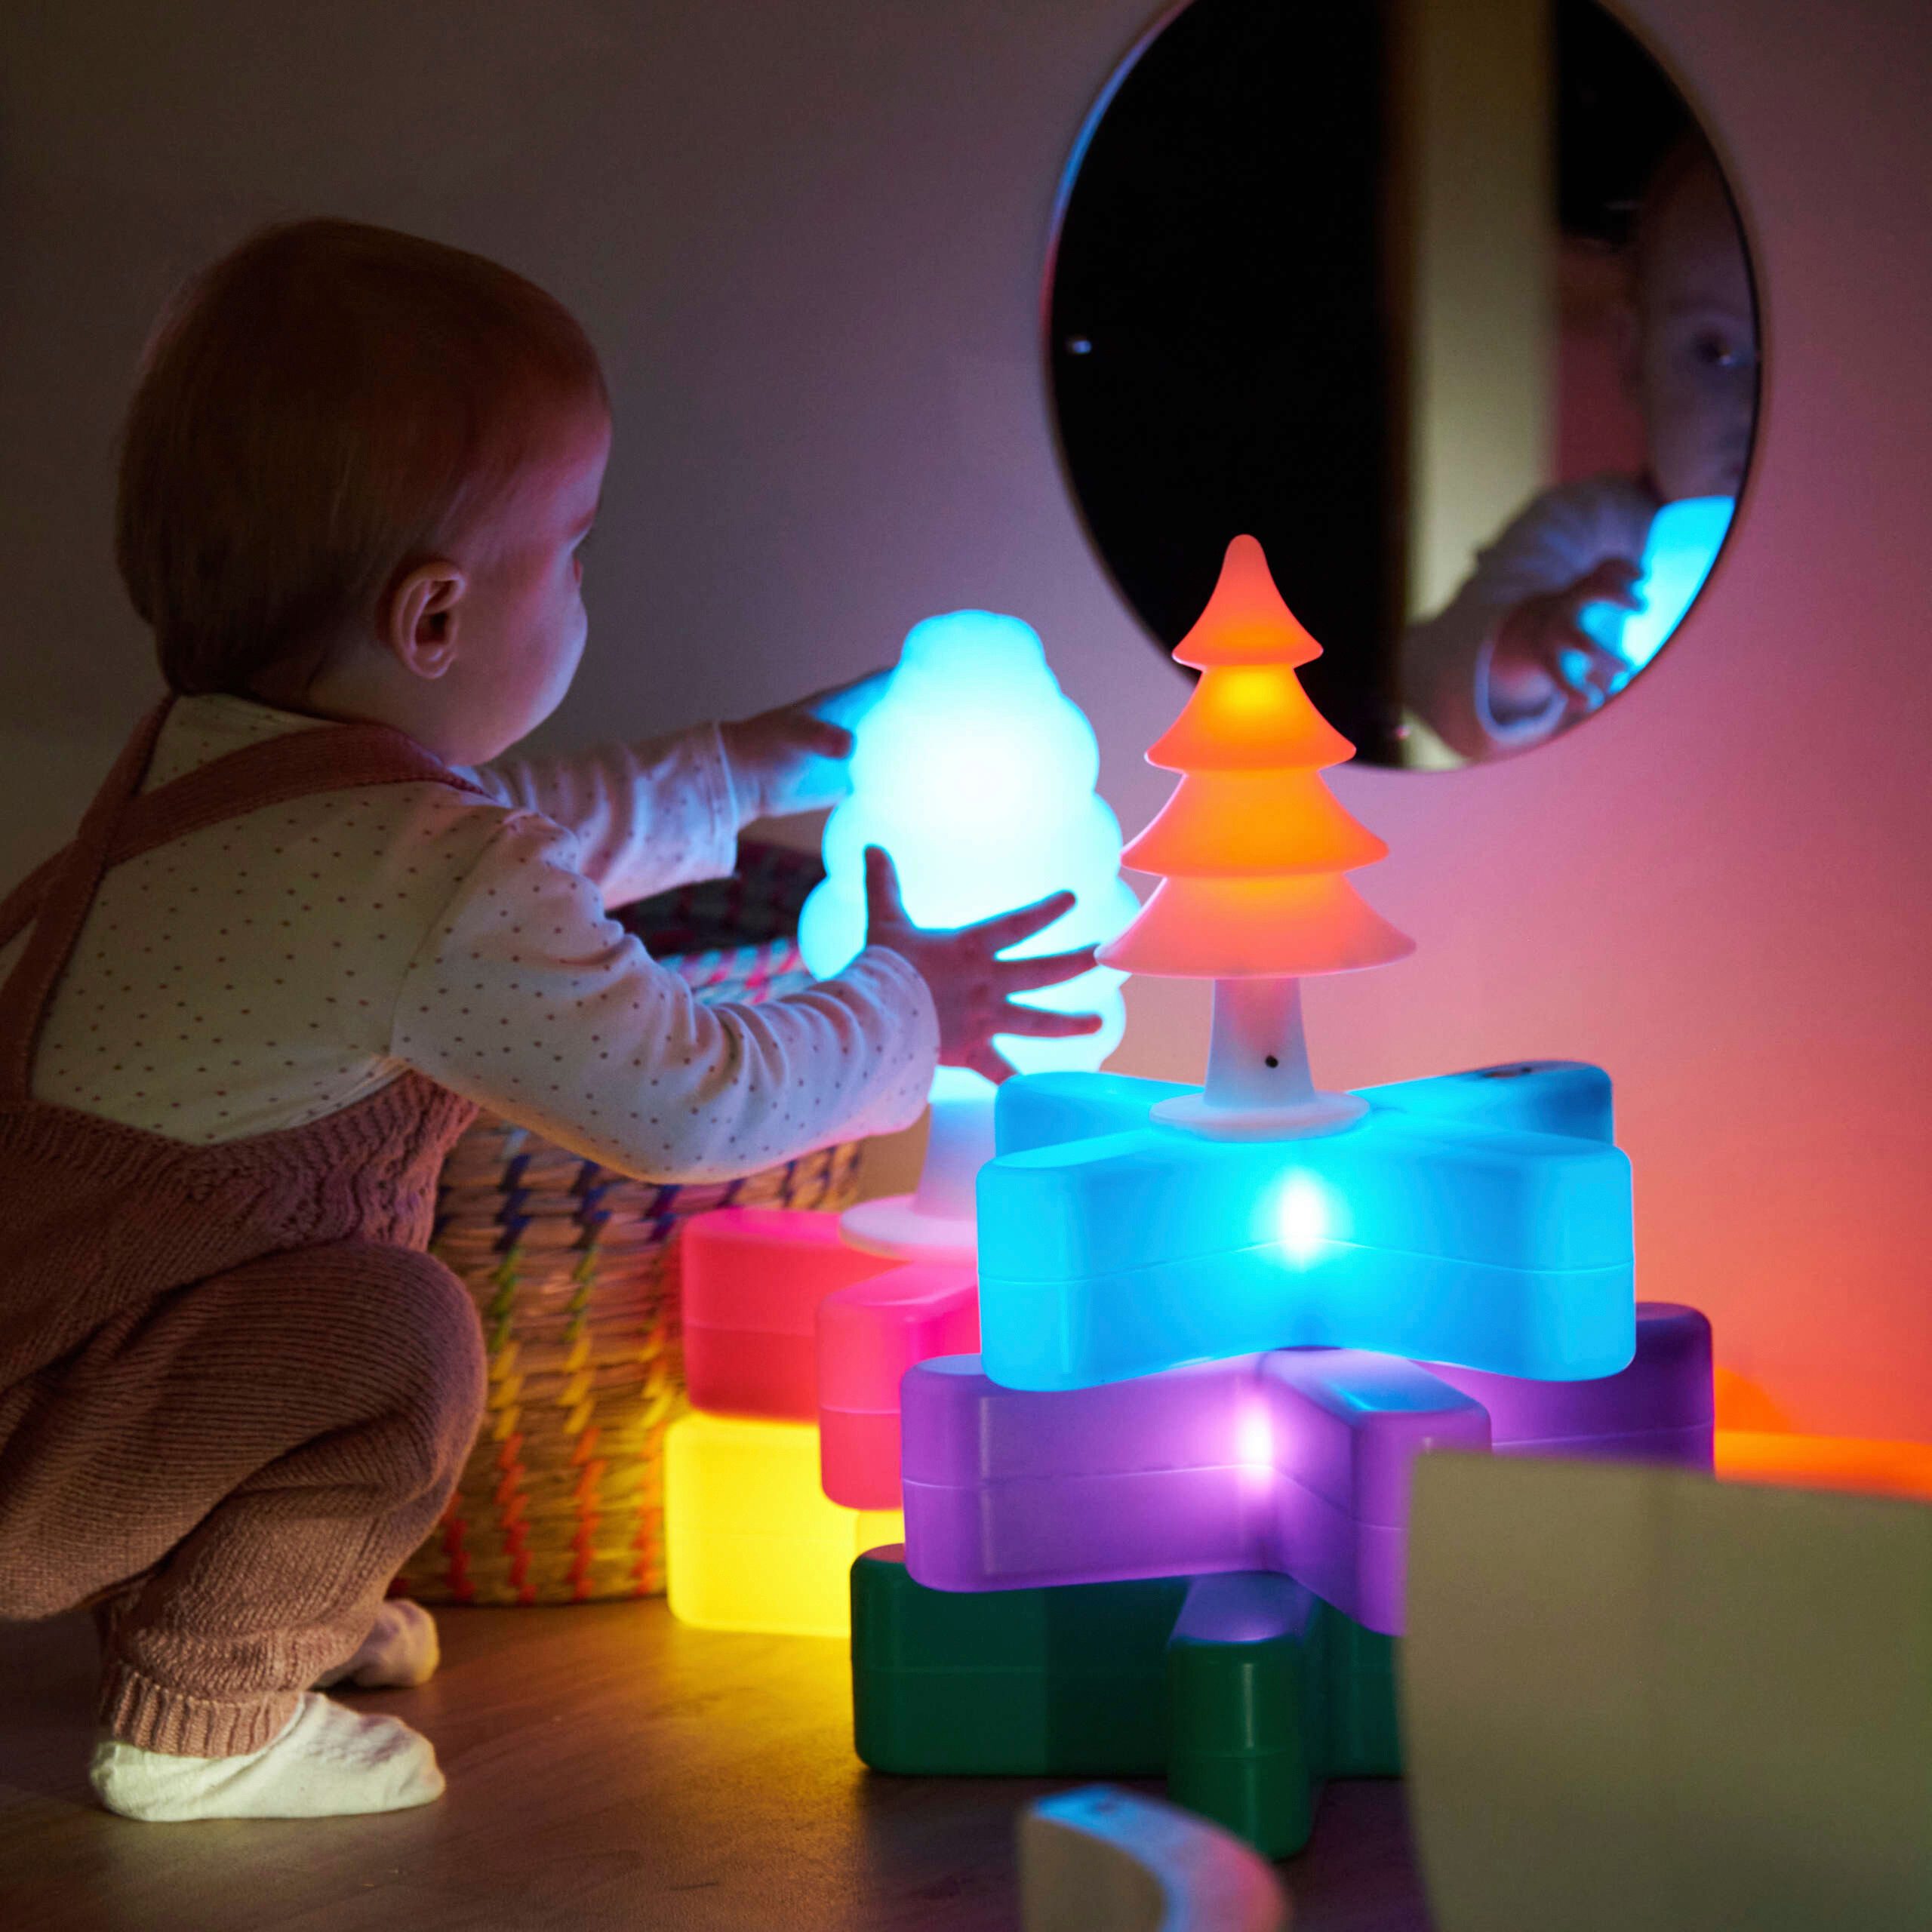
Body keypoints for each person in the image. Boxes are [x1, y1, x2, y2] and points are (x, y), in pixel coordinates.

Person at [0, 220, 1100, 1822]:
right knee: (394, 1332)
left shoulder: (221, 776)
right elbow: (685, 1098)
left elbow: (523, 827)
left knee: (297, 1318)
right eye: (573, 547)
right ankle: (206, 1711)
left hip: (59, 1375)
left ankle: (253, 1592)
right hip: (49, 1434)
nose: (587, 579)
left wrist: (751, 764)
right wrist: (902, 1010)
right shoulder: (415, 868)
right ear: (435, 619)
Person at [1401, 134, 1757, 761]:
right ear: (1632, 357)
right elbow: (1434, 672)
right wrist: (1531, 642)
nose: (1756, 399)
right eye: (1716, 352)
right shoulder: (1592, 531)